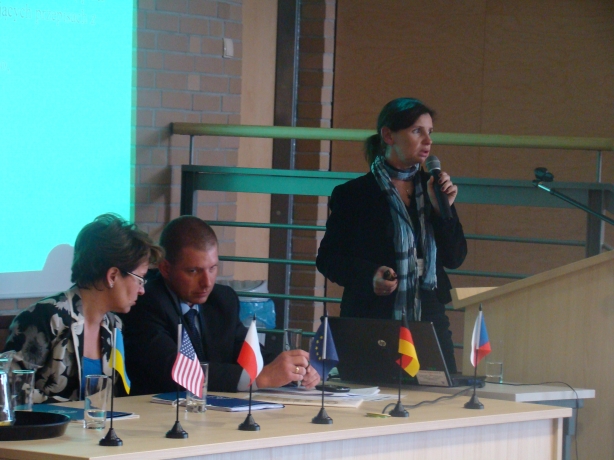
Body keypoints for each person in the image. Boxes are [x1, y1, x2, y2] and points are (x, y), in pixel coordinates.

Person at [316, 98, 467, 373]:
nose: (428, 141)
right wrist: (369, 275)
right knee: (373, 390)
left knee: (438, 391)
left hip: (428, 313)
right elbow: (328, 259)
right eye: (417, 131)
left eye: (430, 132)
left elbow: (455, 258)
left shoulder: (433, 189)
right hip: (372, 315)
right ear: (388, 135)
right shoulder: (354, 194)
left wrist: (442, 211)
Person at [122, 215, 320, 394]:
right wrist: (260, 379)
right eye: (193, 271)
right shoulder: (145, 301)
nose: (207, 282)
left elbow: (249, 351)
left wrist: (295, 369)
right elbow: (176, 370)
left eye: (212, 268)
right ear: (165, 269)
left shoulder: (222, 300)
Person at [3, 214, 163, 403]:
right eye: (140, 279)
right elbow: (8, 389)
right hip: (47, 423)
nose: (142, 290)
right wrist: (70, 413)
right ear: (112, 276)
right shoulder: (45, 317)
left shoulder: (114, 326)